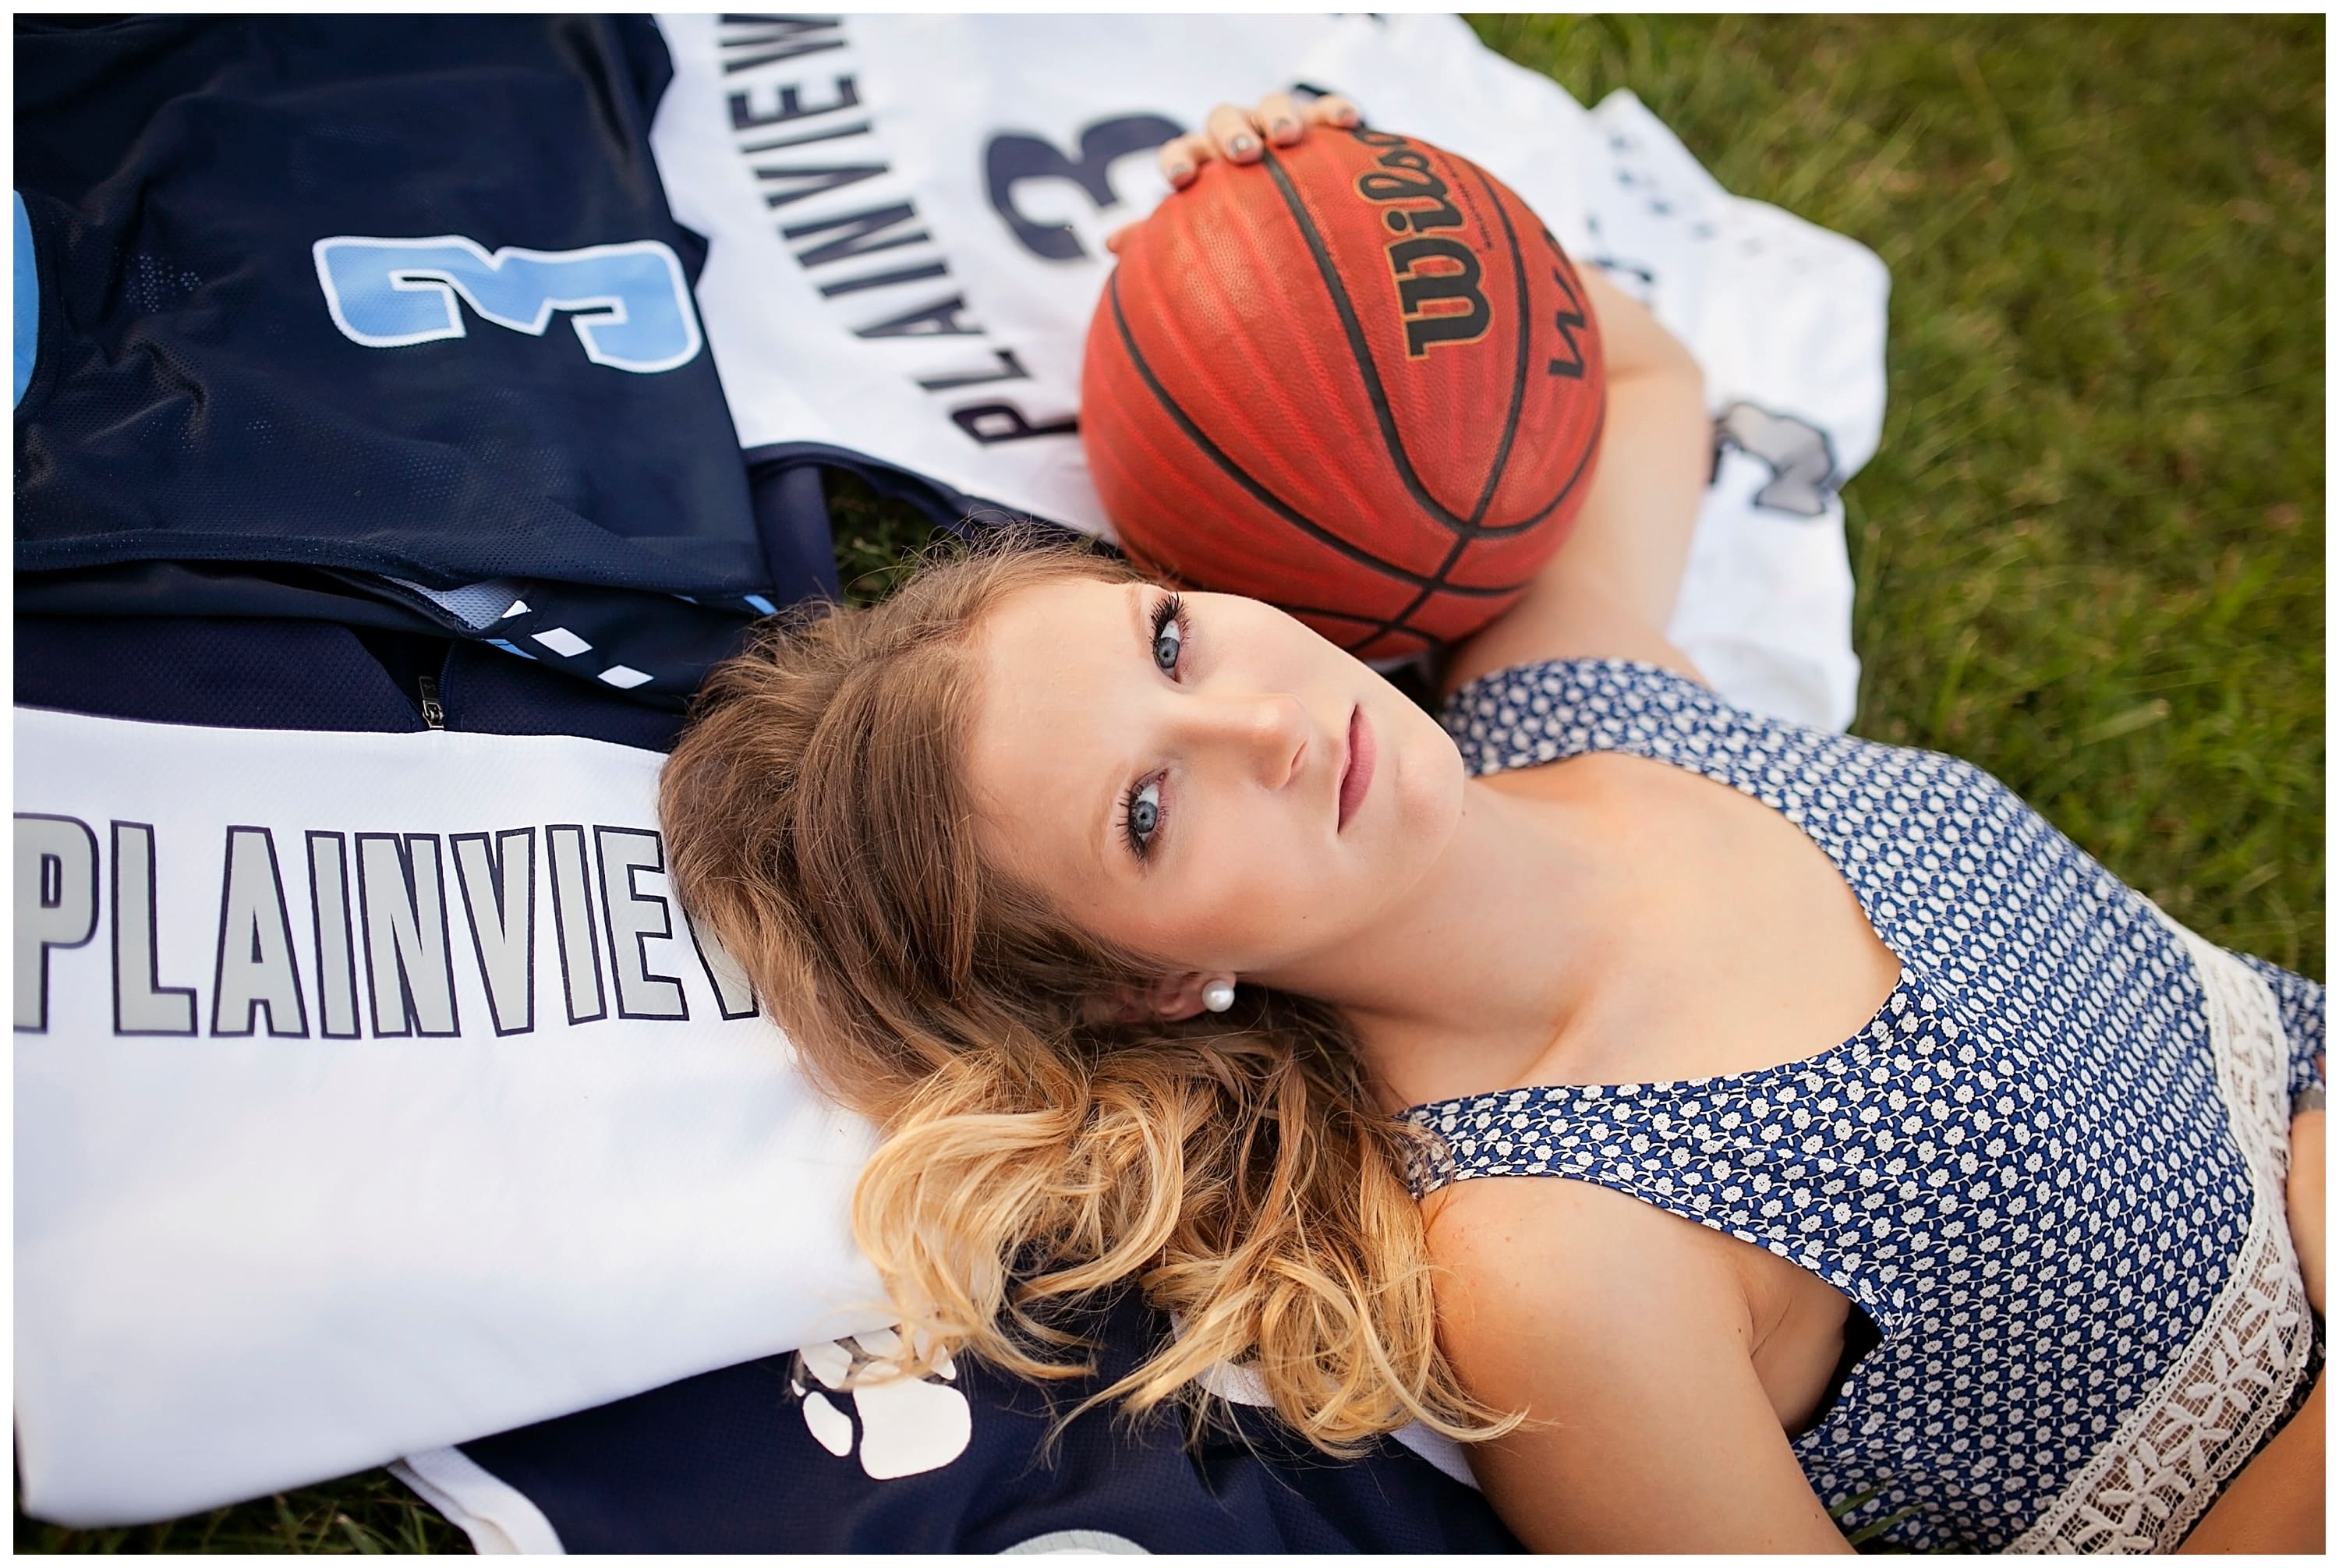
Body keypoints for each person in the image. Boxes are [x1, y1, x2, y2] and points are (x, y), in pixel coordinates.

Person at [658, 94, 2324, 1552]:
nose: (1267, 724)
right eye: (1150, 812)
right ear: (1144, 985)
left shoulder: (1568, 695)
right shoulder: (1551, 1254)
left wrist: (1314, 207)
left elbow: (1638, 363)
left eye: (1171, 638)